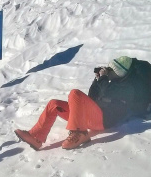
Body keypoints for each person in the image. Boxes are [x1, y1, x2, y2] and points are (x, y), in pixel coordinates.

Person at [15, 56, 148, 150]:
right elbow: (91, 97)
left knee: (75, 93)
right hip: (92, 116)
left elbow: (109, 92)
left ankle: (79, 134)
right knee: (54, 104)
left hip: (105, 119)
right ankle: (36, 137)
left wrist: (103, 78)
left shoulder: (128, 88)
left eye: (111, 70)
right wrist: (97, 80)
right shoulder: (110, 82)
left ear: (119, 73)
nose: (108, 72)